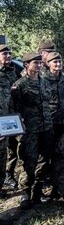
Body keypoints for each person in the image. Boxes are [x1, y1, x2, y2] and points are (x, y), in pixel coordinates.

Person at [12, 53, 53, 208]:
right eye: (34, 63)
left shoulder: (44, 82)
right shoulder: (20, 85)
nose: (38, 65)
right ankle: (24, 192)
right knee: (27, 161)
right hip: (29, 129)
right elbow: (15, 109)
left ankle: (37, 191)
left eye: (39, 63)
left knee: (43, 161)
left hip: (46, 127)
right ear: (26, 65)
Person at [0, 44, 19, 190]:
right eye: (4, 54)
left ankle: (9, 175)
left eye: (9, 53)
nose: (8, 56)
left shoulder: (13, 71)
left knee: (13, 148)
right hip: (1, 118)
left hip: (12, 117)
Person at [42, 52, 64, 143]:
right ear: (48, 63)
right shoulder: (43, 79)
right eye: (55, 62)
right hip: (50, 118)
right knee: (49, 144)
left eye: (60, 61)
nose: (58, 64)